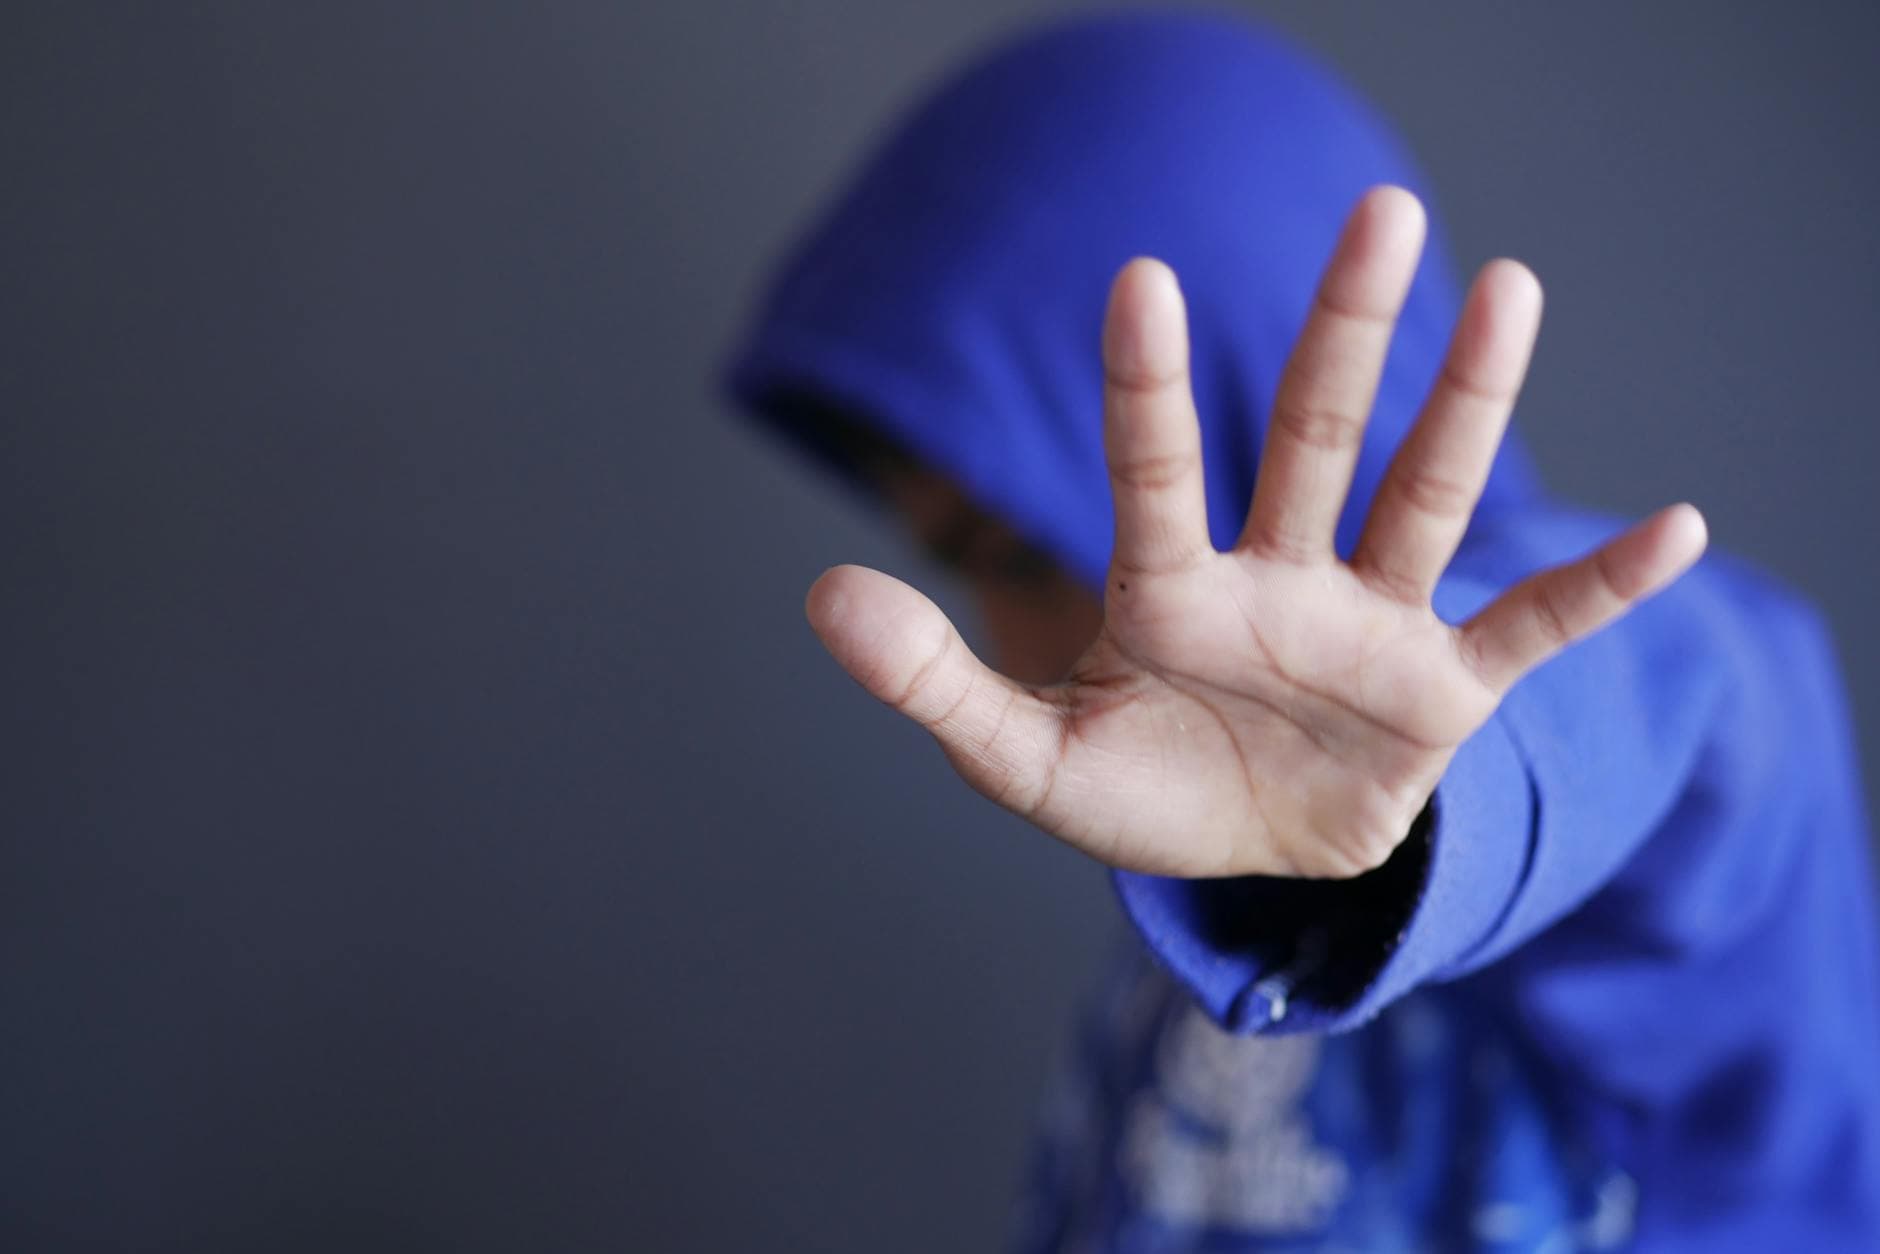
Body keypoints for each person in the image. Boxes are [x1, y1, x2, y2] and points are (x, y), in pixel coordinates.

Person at [722, 10, 1880, 1250]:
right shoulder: (1202, 956)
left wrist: (1458, 777)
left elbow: (1694, 720)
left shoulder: (1621, 822)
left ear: (1228, 404)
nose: (1004, 649)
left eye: (1013, 554)